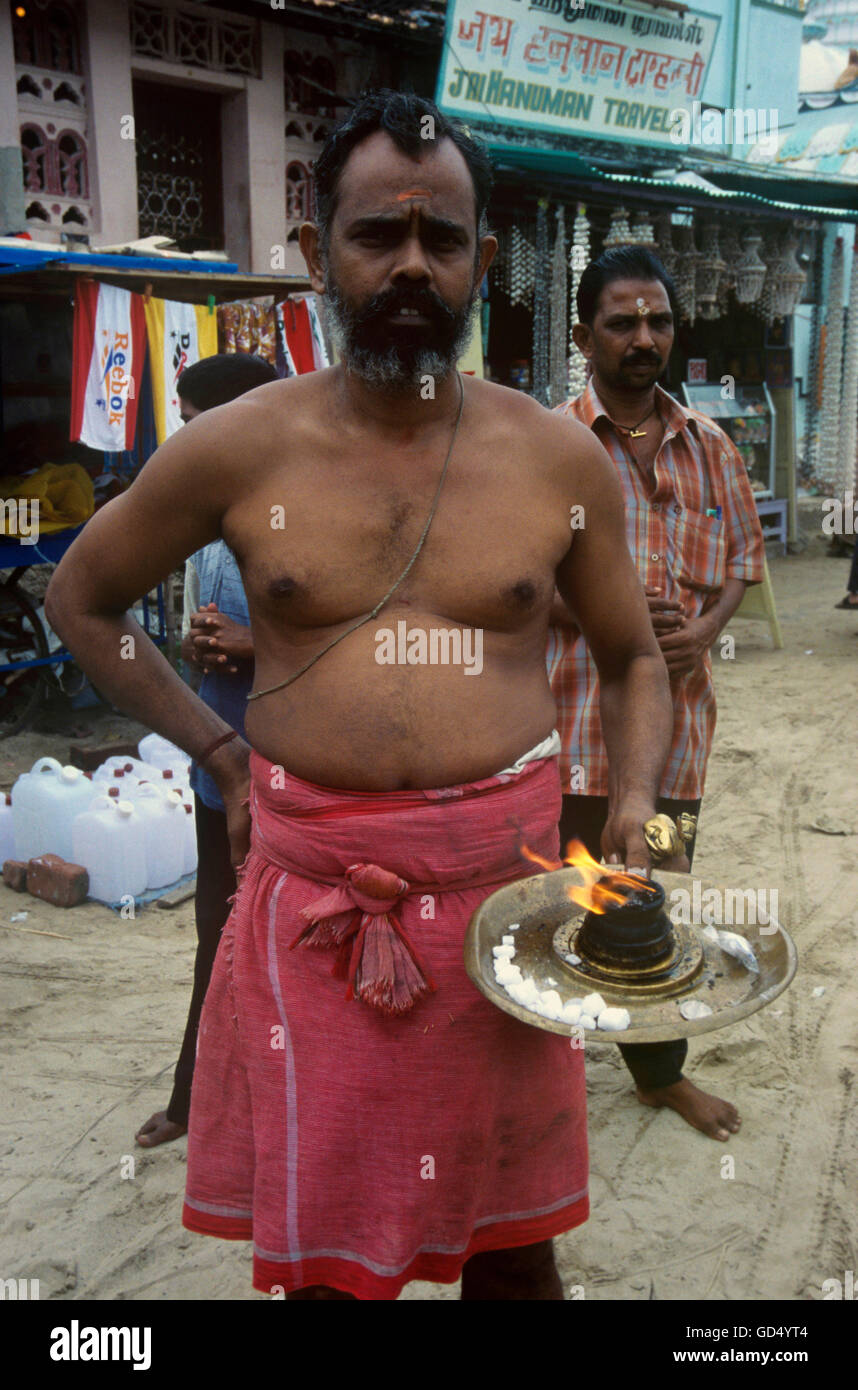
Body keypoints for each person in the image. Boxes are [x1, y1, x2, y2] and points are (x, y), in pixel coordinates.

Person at [47, 92, 683, 1302]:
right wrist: (222, 759)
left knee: (516, 1248)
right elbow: (82, 599)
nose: (409, 267)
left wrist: (636, 823)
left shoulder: (556, 458)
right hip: (319, 913)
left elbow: (634, 654)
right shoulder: (239, 447)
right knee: (332, 1266)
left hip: (512, 908)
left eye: (441, 243)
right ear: (313, 255)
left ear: (483, 263)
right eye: (375, 238)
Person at [549, 245, 765, 1143]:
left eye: (660, 321)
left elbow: (741, 568)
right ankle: (545, 1084)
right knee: (561, 901)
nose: (645, 338)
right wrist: (601, 613)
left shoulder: (710, 445)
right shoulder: (548, 447)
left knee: (655, 895)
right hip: (563, 729)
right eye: (623, 321)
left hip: (673, 740)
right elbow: (507, 584)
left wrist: (699, 636)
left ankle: (656, 1074)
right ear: (582, 335)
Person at [136, 352, 277, 1149]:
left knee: (284, 942)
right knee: (217, 938)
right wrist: (203, 649)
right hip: (222, 768)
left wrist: (256, 645)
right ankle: (195, 1098)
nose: (188, 441)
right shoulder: (208, 517)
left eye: (195, 424)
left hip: (294, 770)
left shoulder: (307, 511)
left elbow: (368, 642)